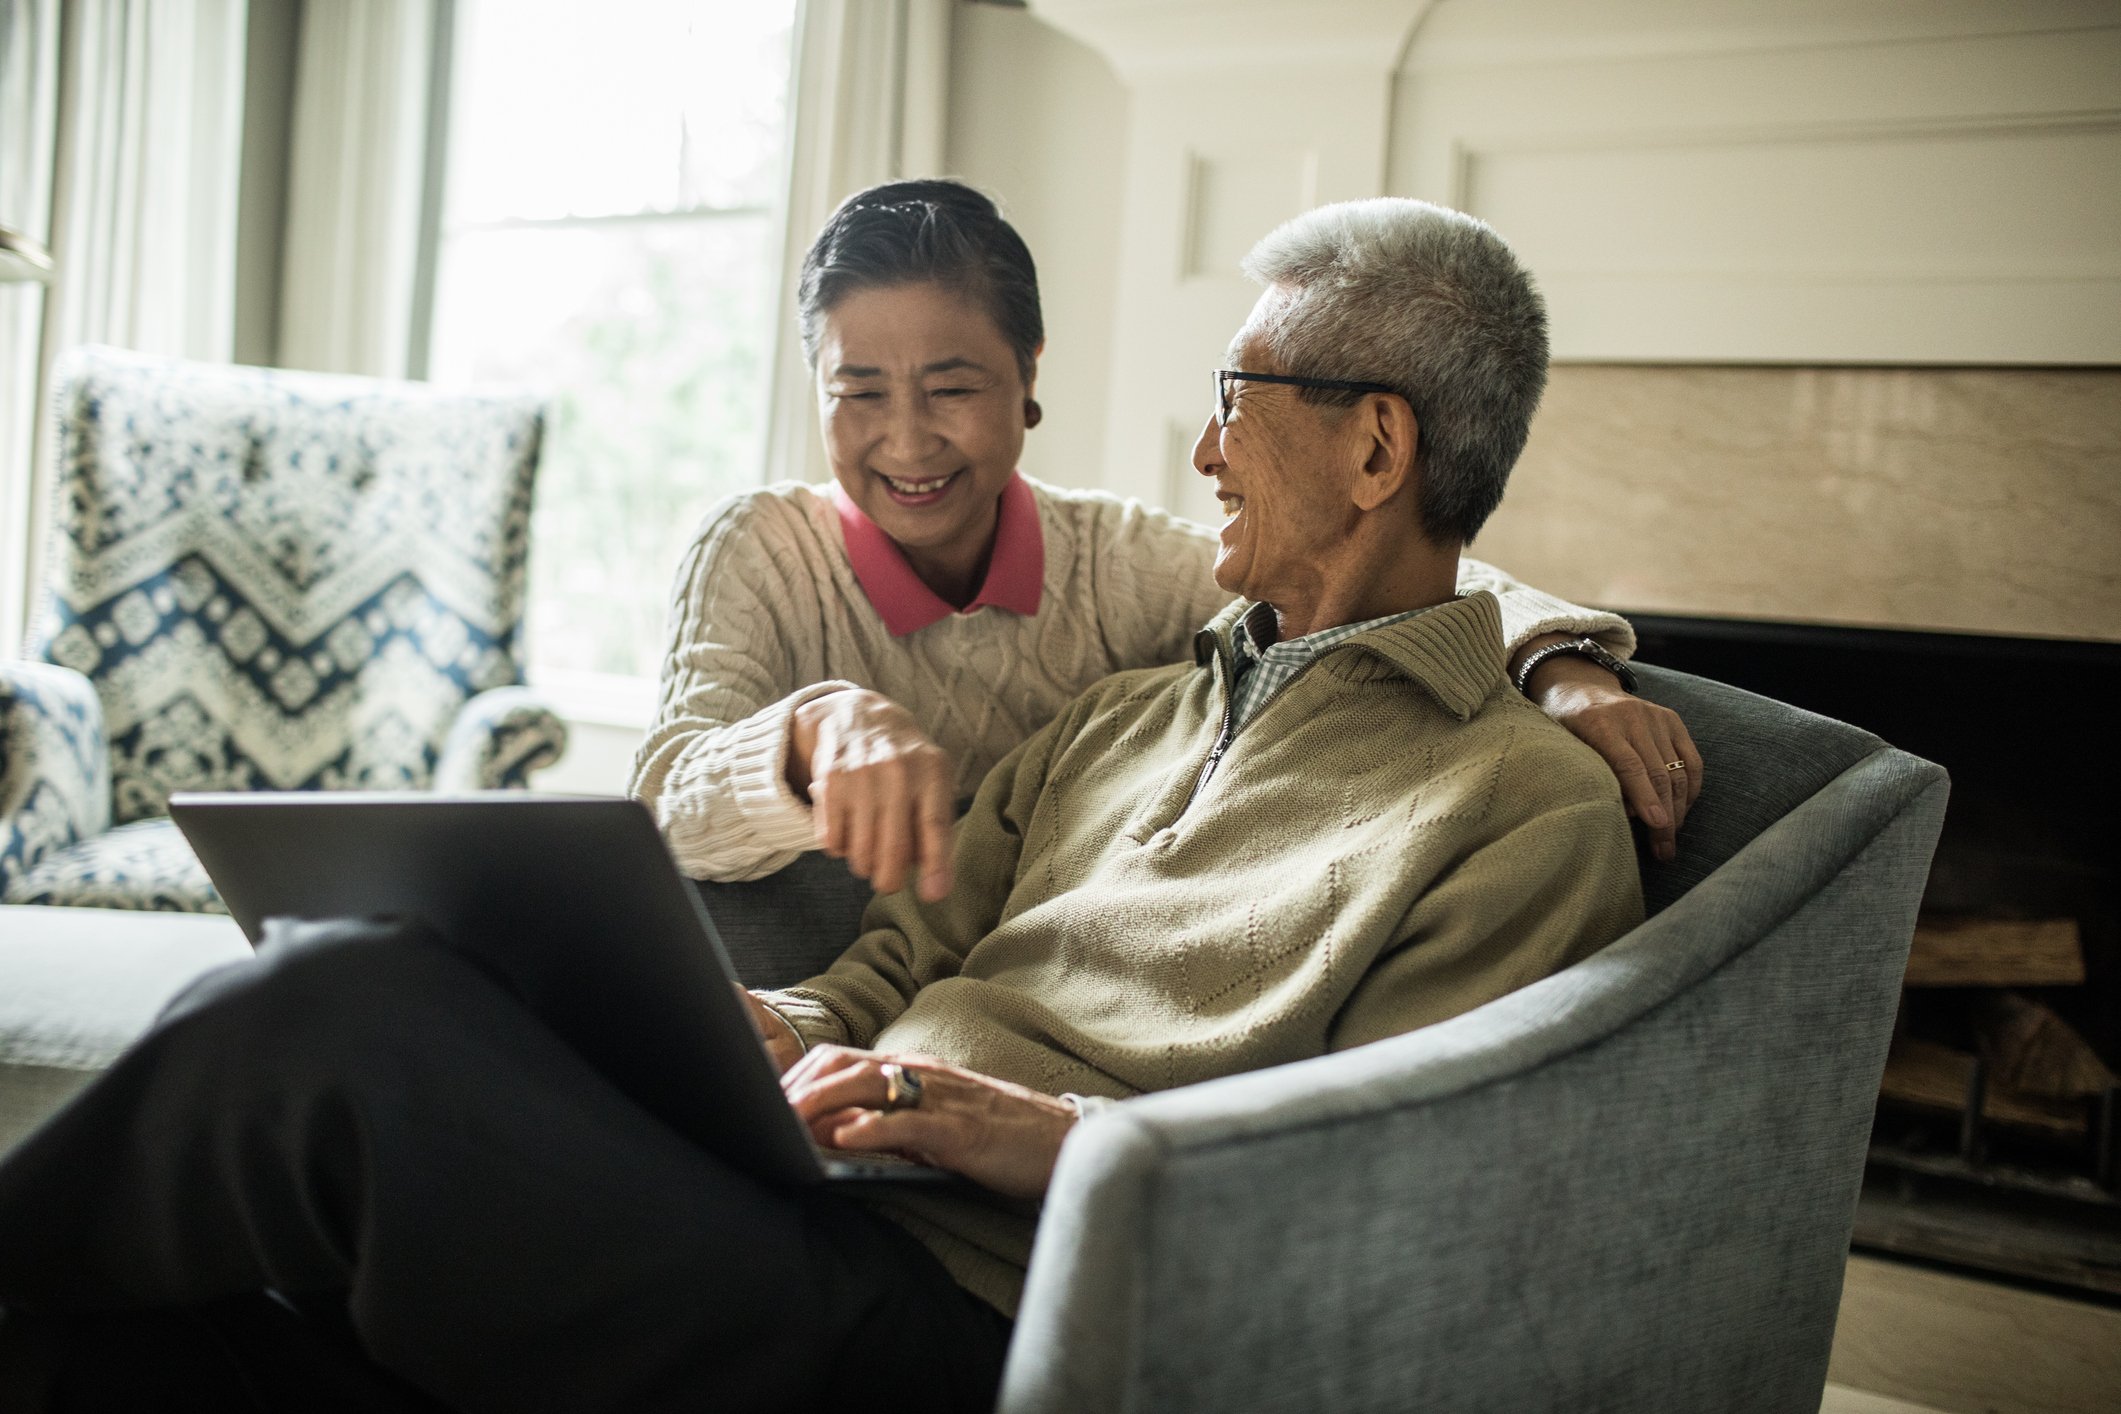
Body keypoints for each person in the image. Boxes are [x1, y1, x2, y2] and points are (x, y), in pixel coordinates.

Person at [0, 196, 1644, 1413]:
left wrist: (1046, 1136)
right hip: (807, 1181)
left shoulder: (1519, 811)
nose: (1202, 448)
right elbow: (884, 959)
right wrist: (766, 1022)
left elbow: (1413, 1203)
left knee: (334, 1022)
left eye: (1237, 393)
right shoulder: (1128, 711)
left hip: (974, 1305)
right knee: (170, 1298)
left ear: (1373, 449)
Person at [631, 180, 1701, 921]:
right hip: (827, 986)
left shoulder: (1109, 561)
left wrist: (1561, 666)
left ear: (1029, 372)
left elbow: (1374, 559)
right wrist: (814, 728)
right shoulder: (761, 548)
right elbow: (662, 807)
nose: (906, 440)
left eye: (952, 388)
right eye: (857, 392)